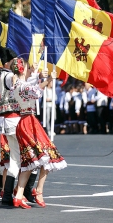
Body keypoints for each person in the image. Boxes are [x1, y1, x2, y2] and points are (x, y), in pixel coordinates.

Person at [11, 61, 67, 209]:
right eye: (29, 68)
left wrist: (40, 76)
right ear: (23, 70)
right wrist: (48, 80)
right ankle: (38, 190)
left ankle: (21, 194)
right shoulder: (23, 86)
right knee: (45, 155)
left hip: (25, 120)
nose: (31, 70)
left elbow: (32, 86)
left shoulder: (15, 86)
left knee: (31, 161)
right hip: (29, 122)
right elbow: (34, 89)